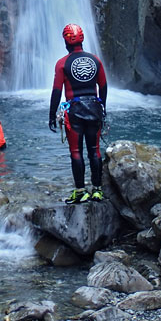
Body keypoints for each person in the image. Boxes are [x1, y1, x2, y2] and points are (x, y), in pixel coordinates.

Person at [48, 23, 107, 205]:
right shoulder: (95, 60)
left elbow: (57, 91)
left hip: (74, 111)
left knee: (76, 151)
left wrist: (51, 115)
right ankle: (97, 190)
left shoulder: (62, 63)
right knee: (94, 150)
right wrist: (102, 108)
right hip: (94, 108)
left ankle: (80, 191)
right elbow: (103, 86)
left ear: (66, 41)